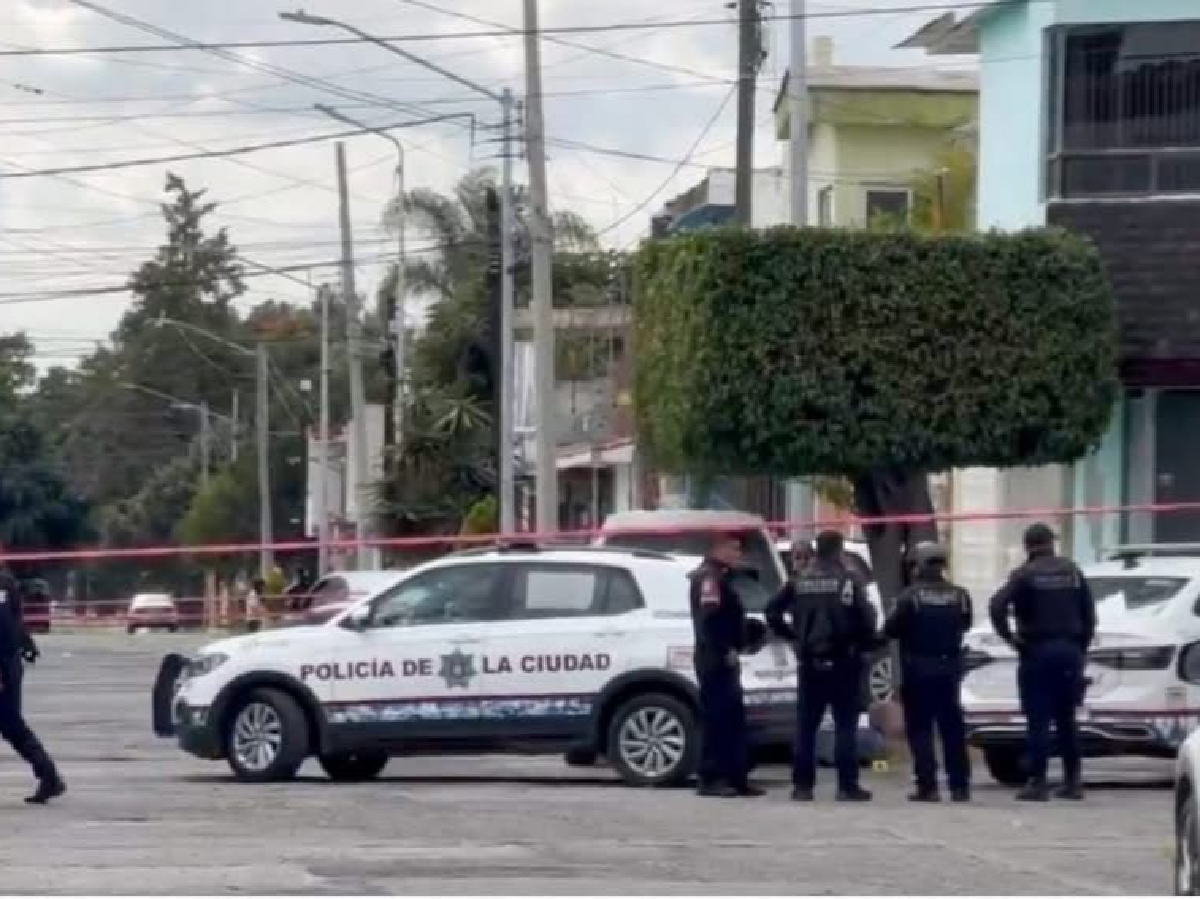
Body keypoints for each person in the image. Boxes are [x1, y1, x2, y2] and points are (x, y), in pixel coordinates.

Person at [766, 530, 879, 802]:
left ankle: (802, 787)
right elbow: (867, 618)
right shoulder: (849, 580)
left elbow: (772, 611)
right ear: (839, 551)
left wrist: (793, 637)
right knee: (845, 725)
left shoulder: (799, 580)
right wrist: (863, 644)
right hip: (844, 661)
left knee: (806, 727)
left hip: (810, 662)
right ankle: (846, 786)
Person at [989, 522, 1096, 802]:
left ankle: (1038, 783)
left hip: (1036, 651)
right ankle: (1073, 782)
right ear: (1051, 543)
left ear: (1028, 546)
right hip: (1069, 650)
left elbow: (996, 606)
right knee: (1066, 718)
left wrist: (1011, 639)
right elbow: (1089, 614)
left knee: (1038, 719)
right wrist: (1080, 648)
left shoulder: (1023, 575)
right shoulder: (1072, 572)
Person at [884, 541, 973, 803]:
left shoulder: (910, 597)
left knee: (920, 729)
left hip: (918, 670)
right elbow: (965, 624)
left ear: (919, 566)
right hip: (949, 670)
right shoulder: (961, 595)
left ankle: (928, 786)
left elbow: (890, 629)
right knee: (952, 729)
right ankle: (959, 787)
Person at [688, 532, 763, 799]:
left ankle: (736, 778)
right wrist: (725, 650)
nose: (738, 554)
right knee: (717, 719)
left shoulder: (722, 576)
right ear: (717, 549)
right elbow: (710, 622)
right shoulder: (709, 578)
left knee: (733, 719)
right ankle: (711, 778)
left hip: (725, 658)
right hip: (715, 659)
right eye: (733, 549)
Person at [0, 565, 65, 804]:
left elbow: (5, 626)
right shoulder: (6, 580)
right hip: (8, 662)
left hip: (4, 663)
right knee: (11, 726)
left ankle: (49, 776)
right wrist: (26, 644)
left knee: (12, 725)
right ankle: (49, 776)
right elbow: (16, 621)